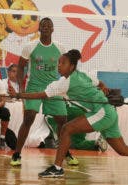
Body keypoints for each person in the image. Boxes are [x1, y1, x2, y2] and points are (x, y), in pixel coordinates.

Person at [10, 49, 128, 179]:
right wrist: (103, 92)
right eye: (58, 62)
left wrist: (19, 95)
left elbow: (41, 95)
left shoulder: (64, 83)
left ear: (72, 66)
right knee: (123, 149)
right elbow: (100, 84)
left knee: (66, 129)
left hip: (102, 112)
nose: (58, 66)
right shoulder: (84, 75)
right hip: (108, 111)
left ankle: (57, 168)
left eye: (63, 63)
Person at [10, 17, 78, 166]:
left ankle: (66, 153)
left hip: (54, 88)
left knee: (62, 121)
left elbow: (67, 69)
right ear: (39, 29)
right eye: (43, 25)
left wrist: (67, 86)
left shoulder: (60, 48)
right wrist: (21, 87)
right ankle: (16, 154)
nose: (46, 27)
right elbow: (20, 67)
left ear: (53, 29)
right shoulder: (30, 46)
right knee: (29, 117)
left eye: (49, 26)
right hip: (34, 86)